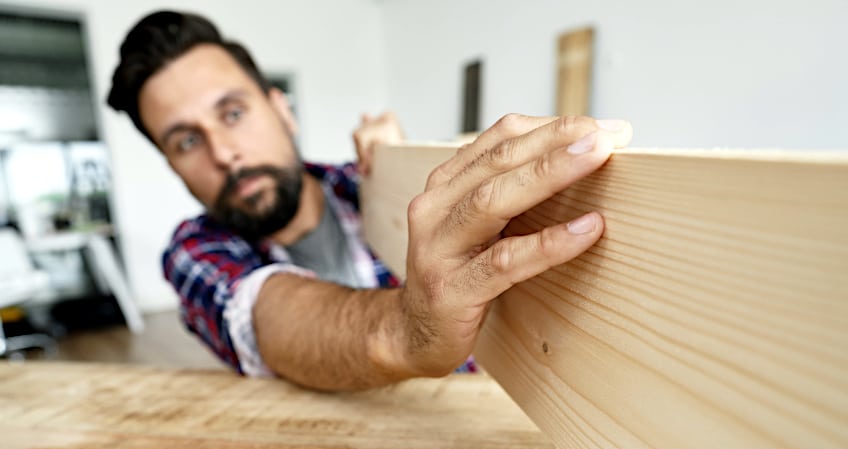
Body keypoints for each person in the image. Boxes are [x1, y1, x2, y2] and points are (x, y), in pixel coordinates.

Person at [107, 10, 632, 391]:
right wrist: (408, 329)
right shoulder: (193, 253)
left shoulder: (367, 185)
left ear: (281, 110)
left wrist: (407, 167)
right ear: (170, 163)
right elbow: (273, 318)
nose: (224, 153)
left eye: (233, 113)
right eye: (187, 141)